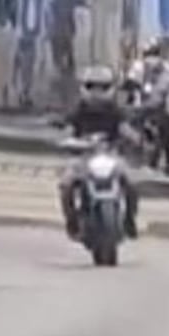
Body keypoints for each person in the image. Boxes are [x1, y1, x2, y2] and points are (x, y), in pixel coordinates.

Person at [57, 64, 140, 240]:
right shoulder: (79, 109)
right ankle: (72, 220)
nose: (97, 92)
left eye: (102, 87)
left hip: (110, 155)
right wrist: (68, 140)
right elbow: (68, 128)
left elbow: (125, 128)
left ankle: (129, 220)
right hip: (83, 157)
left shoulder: (115, 110)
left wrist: (136, 139)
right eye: (92, 87)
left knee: (131, 184)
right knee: (66, 185)